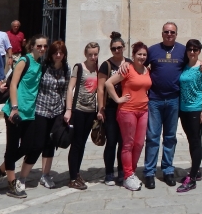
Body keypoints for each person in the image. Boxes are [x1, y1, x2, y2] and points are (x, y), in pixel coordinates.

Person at [124, 22, 202, 190]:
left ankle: (168, 170)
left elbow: (195, 60)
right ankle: (149, 172)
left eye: (172, 32)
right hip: (155, 100)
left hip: (174, 100)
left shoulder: (183, 50)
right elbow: (138, 62)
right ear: (162, 33)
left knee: (170, 137)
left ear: (176, 34)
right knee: (153, 137)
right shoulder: (153, 50)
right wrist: (125, 63)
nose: (169, 34)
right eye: (166, 32)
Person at [0, 35, 46, 198]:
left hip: (30, 112)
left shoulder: (40, 64)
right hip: (15, 111)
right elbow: (13, 84)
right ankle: (12, 183)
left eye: (44, 46)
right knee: (12, 147)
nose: (42, 49)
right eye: (39, 46)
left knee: (28, 146)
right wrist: (14, 108)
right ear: (32, 46)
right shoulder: (24, 60)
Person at [24, 40, 71, 189]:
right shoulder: (44, 67)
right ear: (51, 54)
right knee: (37, 144)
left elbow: (66, 90)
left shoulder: (66, 69)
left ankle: (45, 174)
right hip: (41, 109)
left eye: (61, 53)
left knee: (51, 143)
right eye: (56, 52)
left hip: (57, 111)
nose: (58, 55)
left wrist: (67, 109)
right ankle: (23, 175)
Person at [107, 41, 151, 192]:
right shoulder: (127, 68)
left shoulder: (147, 70)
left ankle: (131, 172)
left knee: (139, 143)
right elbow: (108, 83)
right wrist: (118, 99)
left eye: (144, 54)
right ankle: (127, 175)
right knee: (128, 144)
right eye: (139, 54)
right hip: (128, 111)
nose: (142, 57)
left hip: (143, 110)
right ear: (133, 55)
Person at [97, 32, 132, 186]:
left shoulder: (130, 63)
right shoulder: (106, 65)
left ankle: (122, 171)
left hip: (126, 107)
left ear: (124, 47)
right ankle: (109, 173)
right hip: (111, 108)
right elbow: (100, 88)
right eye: (114, 48)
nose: (117, 50)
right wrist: (101, 108)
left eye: (119, 47)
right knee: (111, 141)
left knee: (123, 142)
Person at [64, 41, 100, 190]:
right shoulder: (79, 67)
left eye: (95, 54)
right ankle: (72, 178)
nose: (93, 57)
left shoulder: (98, 69)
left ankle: (77, 173)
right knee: (76, 143)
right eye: (90, 54)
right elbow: (70, 88)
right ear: (85, 54)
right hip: (78, 109)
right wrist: (68, 109)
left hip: (91, 111)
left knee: (83, 143)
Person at [176, 39, 202, 193]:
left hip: (196, 109)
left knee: (195, 142)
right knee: (191, 140)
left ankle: (192, 179)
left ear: (199, 51)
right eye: (190, 49)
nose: (192, 52)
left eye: (195, 50)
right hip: (183, 110)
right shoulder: (184, 66)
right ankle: (196, 170)